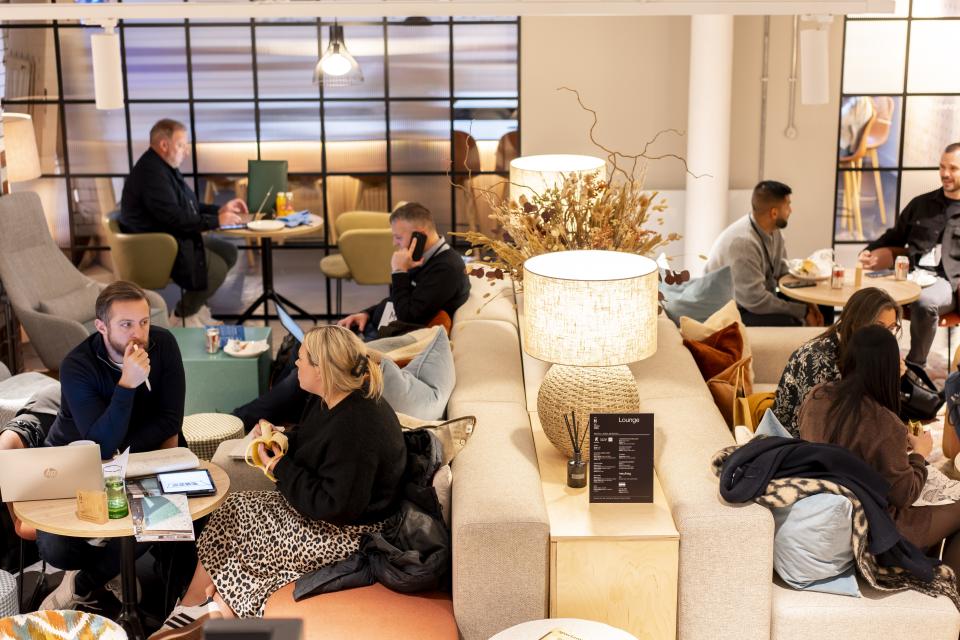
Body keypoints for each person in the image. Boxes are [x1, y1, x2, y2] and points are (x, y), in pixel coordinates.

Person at [150, 326, 406, 638]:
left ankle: (201, 610)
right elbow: (313, 439)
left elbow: (334, 506)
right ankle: (199, 607)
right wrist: (280, 437)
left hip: (350, 536)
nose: (295, 364)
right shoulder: (331, 399)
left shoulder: (357, 428)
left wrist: (280, 465)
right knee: (235, 508)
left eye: (301, 360)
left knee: (244, 543)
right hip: (327, 517)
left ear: (322, 369)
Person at [37, 281, 187, 610]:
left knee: (166, 520)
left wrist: (120, 449)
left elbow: (170, 421)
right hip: (76, 461)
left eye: (144, 322)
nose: (139, 334)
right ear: (101, 326)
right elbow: (98, 444)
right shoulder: (77, 365)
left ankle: (86, 581)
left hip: (140, 458)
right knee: (54, 549)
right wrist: (127, 385)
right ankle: (112, 565)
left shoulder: (164, 345)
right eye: (126, 324)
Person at [798, 325, 960, 577]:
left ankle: (926, 573)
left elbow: (847, 451)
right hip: (876, 532)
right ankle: (950, 595)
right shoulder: (884, 422)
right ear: (886, 367)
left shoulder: (816, 397)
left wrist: (895, 448)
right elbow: (904, 494)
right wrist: (920, 453)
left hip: (828, 512)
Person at [119, 119, 248, 328]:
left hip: (173, 236)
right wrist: (217, 221)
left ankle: (195, 309)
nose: (185, 152)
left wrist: (220, 210)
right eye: (181, 145)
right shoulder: (151, 173)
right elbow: (175, 218)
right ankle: (181, 316)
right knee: (216, 270)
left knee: (229, 252)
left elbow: (188, 205)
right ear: (164, 145)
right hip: (158, 246)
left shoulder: (164, 166)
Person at [859, 143, 960, 367]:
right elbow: (895, 236)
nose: (945, 174)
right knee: (867, 296)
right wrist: (869, 250)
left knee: (924, 302)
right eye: (942, 167)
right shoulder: (921, 204)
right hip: (908, 275)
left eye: (953, 168)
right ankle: (869, 363)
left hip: (946, 283)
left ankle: (915, 368)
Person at [772, 287, 902, 437]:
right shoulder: (817, 361)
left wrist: (890, 377)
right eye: (879, 327)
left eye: (891, 328)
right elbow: (823, 428)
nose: (886, 337)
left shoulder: (864, 352)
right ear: (856, 323)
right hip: (794, 446)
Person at [337, 202, 471, 340]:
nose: (394, 243)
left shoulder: (445, 269)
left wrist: (399, 271)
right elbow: (403, 298)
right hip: (380, 326)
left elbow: (408, 316)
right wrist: (367, 313)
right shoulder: (424, 258)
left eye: (399, 237)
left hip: (394, 339)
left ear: (419, 236)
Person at [705, 180, 824, 327]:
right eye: (788, 205)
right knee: (791, 322)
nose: (791, 210)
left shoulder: (775, 232)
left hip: (753, 300)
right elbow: (756, 301)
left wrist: (809, 301)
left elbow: (782, 272)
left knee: (823, 308)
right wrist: (803, 311)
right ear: (774, 213)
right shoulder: (743, 244)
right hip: (731, 309)